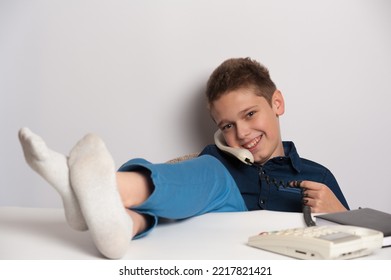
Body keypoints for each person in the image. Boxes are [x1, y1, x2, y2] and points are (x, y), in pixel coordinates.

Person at [18, 57, 349, 259]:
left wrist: (341, 216)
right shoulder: (213, 164)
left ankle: (92, 192)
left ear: (277, 103)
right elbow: (182, 192)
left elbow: (368, 251)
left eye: (250, 114)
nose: (243, 132)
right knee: (208, 174)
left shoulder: (317, 176)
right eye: (228, 125)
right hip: (208, 250)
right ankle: (115, 206)